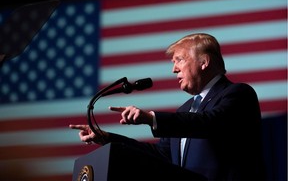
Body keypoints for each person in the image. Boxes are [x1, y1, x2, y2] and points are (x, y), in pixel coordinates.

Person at [69, 33, 266, 181]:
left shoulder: (238, 93)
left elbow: (211, 123)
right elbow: (161, 155)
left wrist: (151, 118)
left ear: (204, 62)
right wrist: (107, 138)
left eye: (179, 60)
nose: (174, 69)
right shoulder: (185, 109)